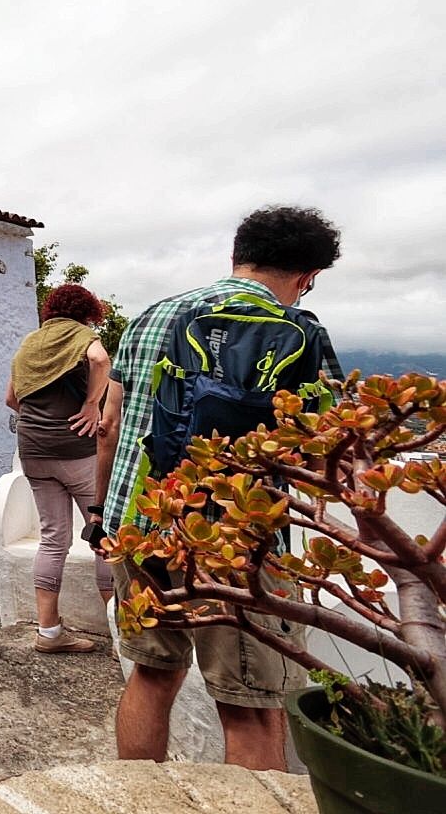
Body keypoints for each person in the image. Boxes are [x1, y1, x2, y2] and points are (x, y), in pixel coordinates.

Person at [91, 205, 343, 770]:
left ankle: (140, 805)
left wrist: (102, 514)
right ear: (308, 276)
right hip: (238, 542)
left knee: (153, 676)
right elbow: (326, 447)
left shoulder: (153, 316)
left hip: (146, 523)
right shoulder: (301, 331)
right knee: (251, 707)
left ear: (237, 256)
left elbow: (109, 430)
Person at [6, 284, 115, 653]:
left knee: (54, 540)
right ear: (87, 312)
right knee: (104, 535)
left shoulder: (30, 343)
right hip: (76, 450)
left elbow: (10, 398)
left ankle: (49, 633)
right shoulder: (82, 335)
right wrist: (91, 405)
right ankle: (122, 638)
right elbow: (101, 361)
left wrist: (41, 424)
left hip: (32, 450)